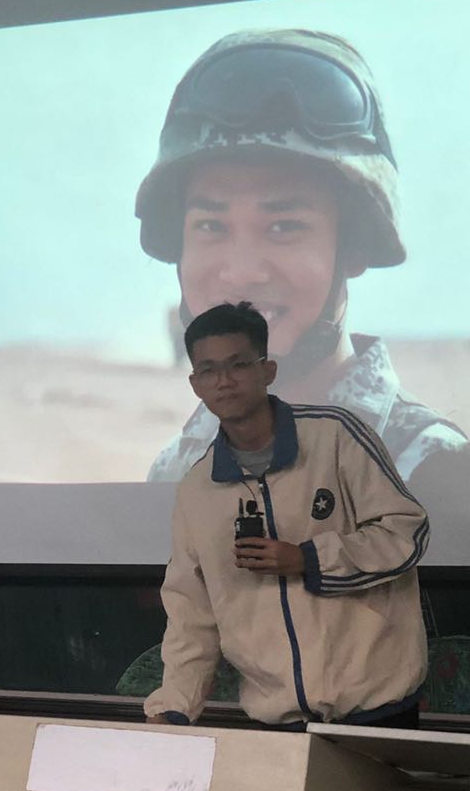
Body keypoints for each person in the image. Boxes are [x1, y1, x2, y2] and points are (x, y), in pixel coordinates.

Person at [135, 28, 470, 530]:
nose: (242, 271)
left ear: (352, 248)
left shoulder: (436, 477)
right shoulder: (178, 469)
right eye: (211, 226)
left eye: (284, 226)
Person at [143, 301, 429, 728]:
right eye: (209, 370)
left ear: (268, 370)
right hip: (279, 722)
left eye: (239, 365)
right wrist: (175, 707)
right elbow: (191, 613)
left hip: (377, 708)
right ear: (195, 384)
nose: (224, 381)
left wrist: (308, 559)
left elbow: (406, 532)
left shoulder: (336, 436)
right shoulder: (197, 490)